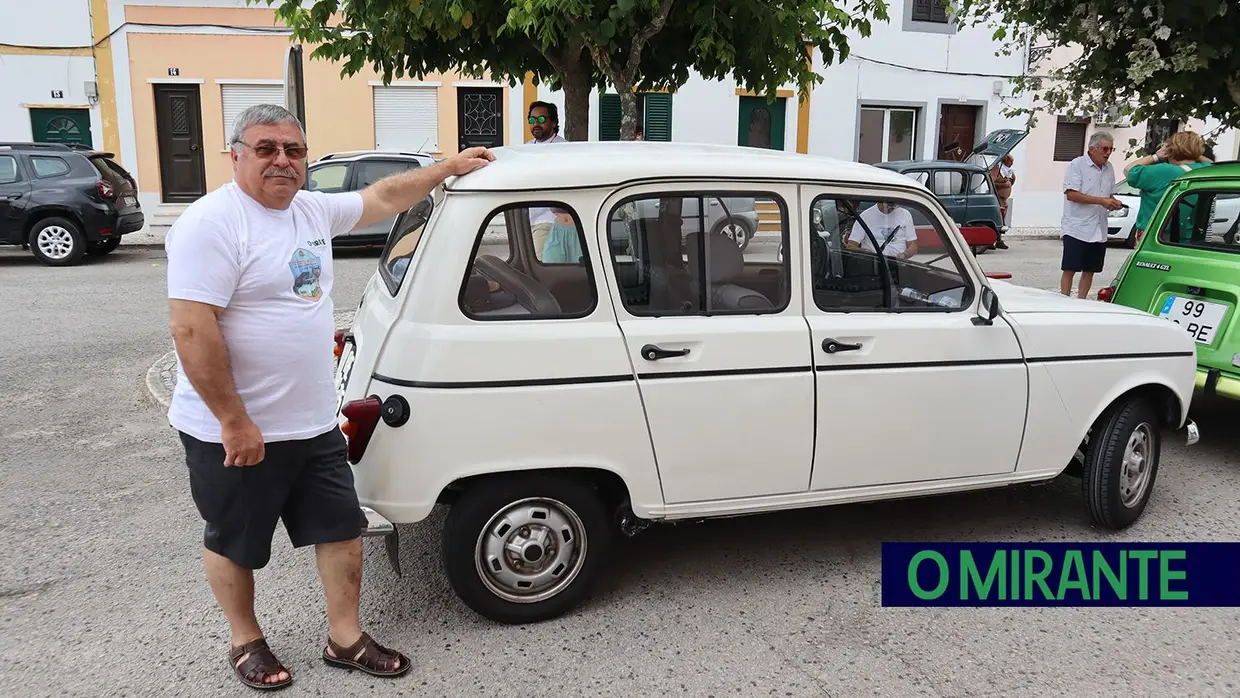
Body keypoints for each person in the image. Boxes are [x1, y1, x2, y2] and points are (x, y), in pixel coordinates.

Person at [164, 103, 494, 690]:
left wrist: (447, 167)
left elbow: (387, 196)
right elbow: (193, 331)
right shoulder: (211, 224)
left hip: (313, 422)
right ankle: (246, 641)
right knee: (235, 540)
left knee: (341, 530)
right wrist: (233, 421)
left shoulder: (310, 210)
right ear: (235, 154)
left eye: (293, 150)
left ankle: (345, 638)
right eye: (266, 149)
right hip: (237, 429)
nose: (282, 161)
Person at [1060, 131, 1123, 298]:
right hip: (1077, 227)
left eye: (1111, 149)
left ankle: (1081, 300)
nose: (1108, 153)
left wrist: (1113, 202)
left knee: (1090, 269)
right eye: (1104, 149)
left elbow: (1108, 195)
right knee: (1070, 268)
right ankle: (1064, 299)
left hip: (1099, 227)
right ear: (1092, 149)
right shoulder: (1077, 165)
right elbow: (1071, 195)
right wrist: (1101, 201)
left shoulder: (1109, 168)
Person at [1123, 130, 1212, 243]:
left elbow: (1129, 171)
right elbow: (1211, 162)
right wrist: (1193, 152)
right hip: (1188, 237)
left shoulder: (1164, 171)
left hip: (1155, 237)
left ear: (1171, 150)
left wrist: (1155, 157)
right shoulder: (1206, 170)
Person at [525, 101, 566, 259]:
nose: (536, 124)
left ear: (553, 122)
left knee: (540, 267)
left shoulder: (564, 149)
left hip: (550, 220)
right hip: (528, 220)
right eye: (532, 120)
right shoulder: (525, 149)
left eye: (541, 120)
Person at [845, 200, 919, 260]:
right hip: (874, 264)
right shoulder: (865, 216)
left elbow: (913, 245)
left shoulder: (905, 214)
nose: (891, 208)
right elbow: (851, 246)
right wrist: (866, 253)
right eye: (889, 205)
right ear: (880, 200)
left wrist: (905, 255)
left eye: (894, 206)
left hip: (899, 265)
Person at [990, 154, 1014, 250]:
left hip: (1004, 200)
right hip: (998, 199)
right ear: (1005, 161)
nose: (1011, 164)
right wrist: (1004, 184)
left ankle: (998, 239)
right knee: (997, 220)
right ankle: (993, 241)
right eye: (1010, 162)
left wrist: (1010, 182)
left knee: (1002, 221)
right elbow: (992, 181)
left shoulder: (1007, 170)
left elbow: (1012, 179)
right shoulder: (997, 168)